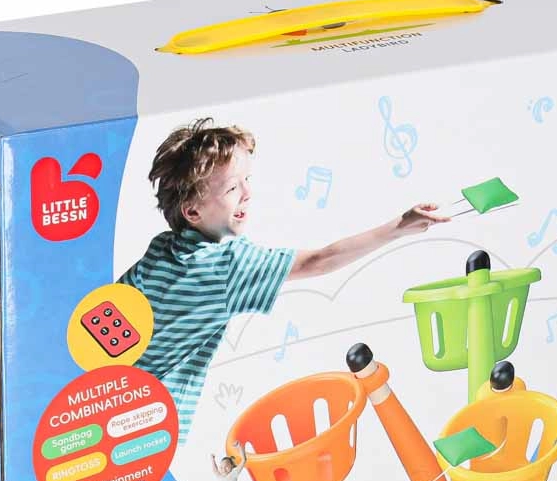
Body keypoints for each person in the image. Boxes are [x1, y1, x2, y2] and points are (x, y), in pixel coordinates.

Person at [119, 118, 447, 442]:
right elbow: (319, 261)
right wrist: (398, 228)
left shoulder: (161, 249)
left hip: (113, 403)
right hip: (154, 428)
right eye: (232, 188)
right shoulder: (229, 266)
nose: (247, 193)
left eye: (247, 179)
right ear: (192, 212)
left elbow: (113, 305)